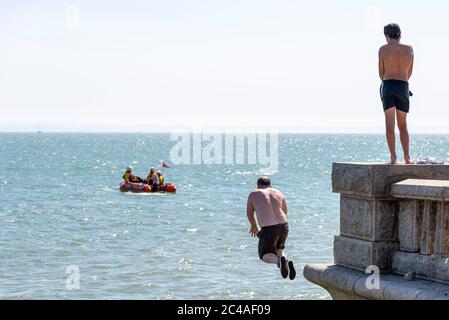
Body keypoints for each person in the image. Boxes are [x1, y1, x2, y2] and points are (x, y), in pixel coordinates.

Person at [246, 176, 296, 280]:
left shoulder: (253, 194)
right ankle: (285, 261)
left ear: (258, 186)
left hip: (269, 228)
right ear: (270, 185)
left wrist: (254, 225)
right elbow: (285, 211)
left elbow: (249, 213)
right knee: (279, 249)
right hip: (284, 226)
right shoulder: (278, 192)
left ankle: (279, 262)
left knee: (264, 255)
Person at [378, 23, 414, 164]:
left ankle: (393, 158)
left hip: (388, 85)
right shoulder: (409, 49)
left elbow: (381, 73)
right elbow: (409, 72)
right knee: (403, 125)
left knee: (389, 124)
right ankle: (407, 158)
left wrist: (389, 81)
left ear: (387, 35)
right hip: (403, 86)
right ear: (399, 34)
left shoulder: (383, 49)